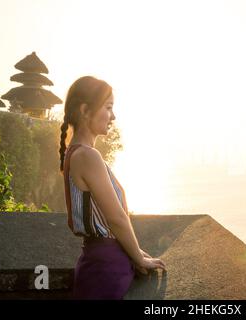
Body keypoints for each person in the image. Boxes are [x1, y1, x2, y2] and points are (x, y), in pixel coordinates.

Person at [59, 76, 166, 299]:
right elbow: (116, 217)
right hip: (107, 270)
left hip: (99, 264)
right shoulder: (88, 156)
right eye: (108, 108)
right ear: (85, 110)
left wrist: (133, 252)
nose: (113, 116)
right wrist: (138, 257)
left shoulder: (76, 153)